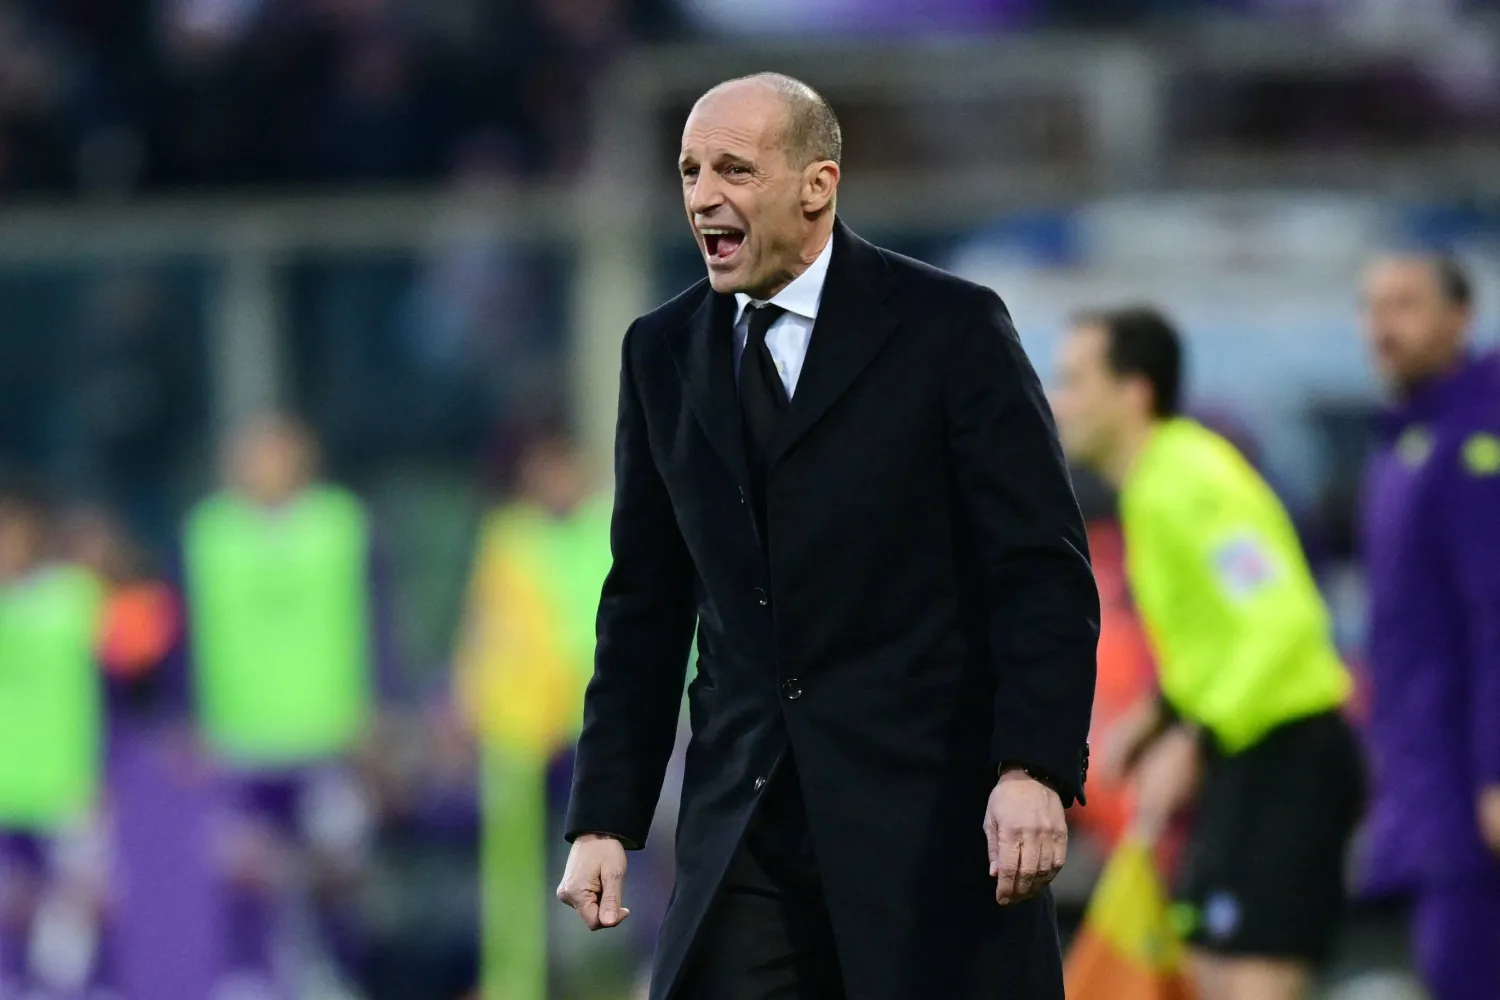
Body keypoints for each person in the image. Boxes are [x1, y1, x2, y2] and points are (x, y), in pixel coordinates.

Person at [554, 73, 1099, 1000]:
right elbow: (644, 602)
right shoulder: (661, 351)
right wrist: (606, 817)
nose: (702, 196)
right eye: (689, 171)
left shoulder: (949, 328)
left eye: (734, 169)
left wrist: (1033, 767)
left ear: (818, 185)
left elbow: (1039, 572)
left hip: (929, 818)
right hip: (747, 824)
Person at [1051, 307, 1363, 1000]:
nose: (1058, 400)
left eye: (1074, 381)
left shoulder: (1191, 481)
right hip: (1247, 751)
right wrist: (1159, 715)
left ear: (1133, 393)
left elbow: (1281, 622)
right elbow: (1222, 635)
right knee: (1209, 972)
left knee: (1248, 978)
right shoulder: (1155, 485)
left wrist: (1194, 736)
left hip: (1287, 752)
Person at [177, 415, 398, 999]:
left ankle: (340, 978)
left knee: (336, 870)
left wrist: (379, 707)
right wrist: (189, 714)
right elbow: (187, 630)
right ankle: (249, 983)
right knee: (244, 872)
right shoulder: (209, 532)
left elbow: (377, 619)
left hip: (328, 735)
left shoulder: (341, 524)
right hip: (241, 739)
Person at [1357, 254, 1500, 1000]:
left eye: (1406, 305)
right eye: (1373, 308)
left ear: (1460, 318)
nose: (1383, 327)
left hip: (1471, 791)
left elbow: (1495, 616)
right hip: (1430, 783)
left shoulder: (1479, 438)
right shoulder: (1404, 443)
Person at [0, 473, 112, 998]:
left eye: (13, 532)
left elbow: (130, 674)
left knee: (71, 939)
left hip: (65, 794)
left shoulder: (74, 598)